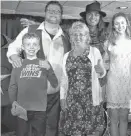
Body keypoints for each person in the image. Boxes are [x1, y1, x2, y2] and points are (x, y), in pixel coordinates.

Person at [6, 1, 71, 136]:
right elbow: (13, 47)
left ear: (61, 16)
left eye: (57, 11)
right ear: (45, 13)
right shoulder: (30, 30)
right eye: (50, 10)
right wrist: (14, 57)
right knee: (28, 129)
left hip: (55, 94)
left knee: (51, 128)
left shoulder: (66, 38)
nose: (53, 13)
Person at [58, 21, 106, 136]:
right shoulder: (66, 56)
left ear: (87, 36)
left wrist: (102, 71)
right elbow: (64, 80)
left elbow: (102, 76)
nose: (78, 37)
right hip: (73, 102)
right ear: (71, 37)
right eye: (75, 34)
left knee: (92, 132)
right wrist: (62, 98)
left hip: (91, 101)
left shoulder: (94, 52)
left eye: (81, 34)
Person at [8, 33, 58, 136]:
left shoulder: (44, 63)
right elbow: (13, 86)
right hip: (22, 108)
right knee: (21, 133)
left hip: (40, 109)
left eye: (35, 44)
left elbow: (55, 83)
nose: (31, 47)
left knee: (39, 133)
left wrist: (48, 69)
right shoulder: (18, 64)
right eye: (28, 44)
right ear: (22, 47)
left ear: (39, 47)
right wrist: (13, 102)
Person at [104, 12, 131, 136]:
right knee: (113, 119)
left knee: (124, 118)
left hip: (127, 81)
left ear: (126, 24)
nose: (120, 25)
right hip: (113, 81)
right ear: (113, 26)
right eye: (116, 23)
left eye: (122, 22)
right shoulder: (109, 42)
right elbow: (105, 63)